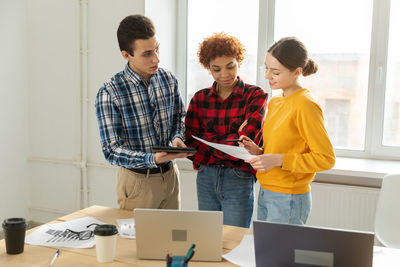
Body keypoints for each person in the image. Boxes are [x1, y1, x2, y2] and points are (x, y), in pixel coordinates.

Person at [95, 14, 191, 211]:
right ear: (126, 55)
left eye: (157, 49)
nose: (156, 58)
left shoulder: (168, 79)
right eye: (147, 54)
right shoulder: (110, 92)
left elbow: (179, 118)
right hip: (137, 182)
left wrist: (177, 137)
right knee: (136, 242)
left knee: (172, 239)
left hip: (171, 176)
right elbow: (111, 150)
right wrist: (151, 159)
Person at [240, 37, 335, 225]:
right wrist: (259, 151)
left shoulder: (305, 105)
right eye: (266, 68)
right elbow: (284, 147)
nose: (268, 76)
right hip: (267, 190)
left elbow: (326, 158)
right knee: (267, 252)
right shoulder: (276, 101)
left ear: (297, 72)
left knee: (281, 254)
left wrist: (277, 159)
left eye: (275, 72)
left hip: (289, 197)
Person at [185, 33, 268, 228]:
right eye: (216, 69)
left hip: (238, 177)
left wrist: (208, 140)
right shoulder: (199, 99)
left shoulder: (256, 95)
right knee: (207, 237)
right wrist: (232, 139)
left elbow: (247, 141)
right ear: (208, 69)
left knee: (235, 240)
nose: (224, 74)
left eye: (230, 66)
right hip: (206, 177)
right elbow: (190, 141)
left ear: (238, 61)